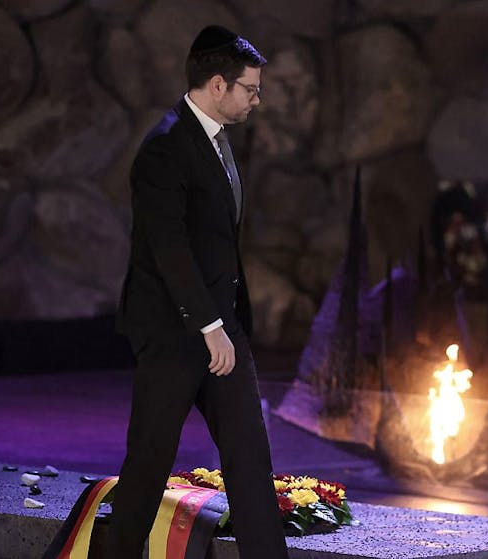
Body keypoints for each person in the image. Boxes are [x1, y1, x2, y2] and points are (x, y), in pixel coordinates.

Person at [108, 25, 289, 559]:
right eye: (250, 88)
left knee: (251, 459)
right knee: (147, 465)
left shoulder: (216, 140)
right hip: (173, 334)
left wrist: (225, 325)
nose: (258, 98)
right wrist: (209, 327)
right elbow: (170, 249)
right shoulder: (165, 148)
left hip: (222, 329)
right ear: (217, 85)